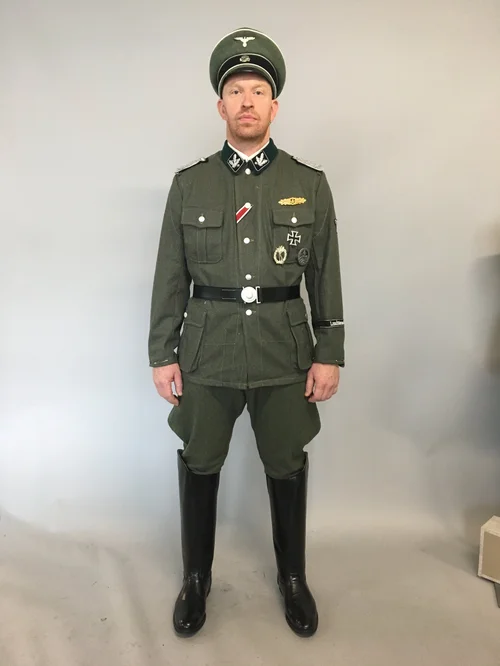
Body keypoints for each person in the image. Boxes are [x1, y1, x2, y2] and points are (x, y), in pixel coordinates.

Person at [148, 27, 345, 638]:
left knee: (286, 462)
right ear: (221, 106)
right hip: (207, 352)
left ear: (274, 106)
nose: (247, 101)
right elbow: (170, 276)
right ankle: (196, 580)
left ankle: (293, 578)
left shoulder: (308, 184)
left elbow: (326, 276)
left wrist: (329, 352)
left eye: (258, 90)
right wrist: (161, 353)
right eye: (236, 91)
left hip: (284, 352)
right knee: (200, 460)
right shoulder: (190, 185)